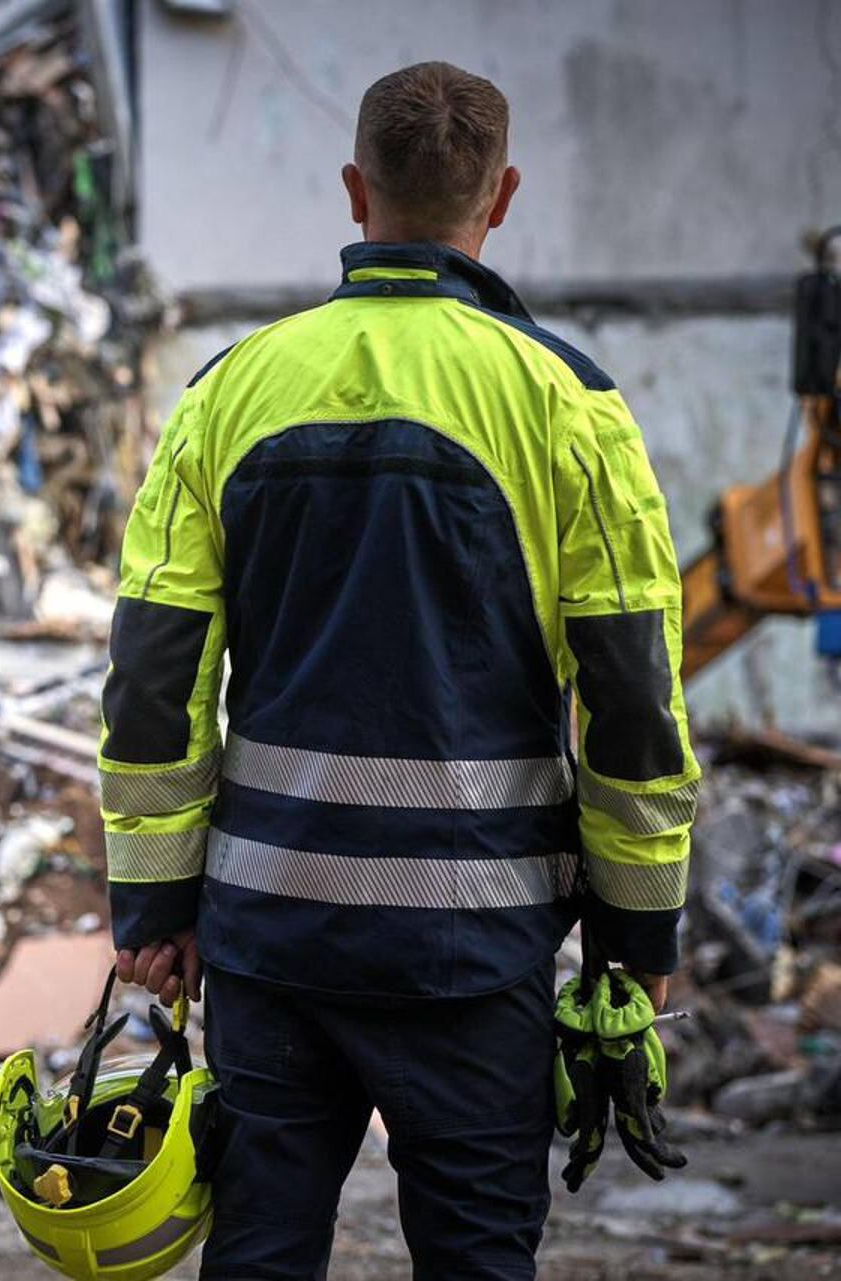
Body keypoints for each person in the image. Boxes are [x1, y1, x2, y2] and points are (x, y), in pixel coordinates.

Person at [97, 62, 697, 1279]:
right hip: (473, 952)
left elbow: (155, 676)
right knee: (478, 1257)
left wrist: (156, 908)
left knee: (260, 1251)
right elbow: (633, 698)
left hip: (273, 936)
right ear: (505, 195)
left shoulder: (228, 390)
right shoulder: (567, 402)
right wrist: (638, 933)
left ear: (354, 189)